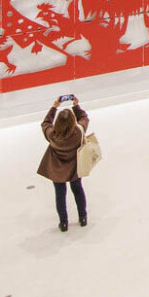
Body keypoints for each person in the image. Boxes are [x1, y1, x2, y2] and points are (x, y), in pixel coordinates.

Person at [37, 95, 90, 232]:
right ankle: (83, 217)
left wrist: (54, 107)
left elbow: (45, 123)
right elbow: (84, 118)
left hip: (57, 170)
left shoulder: (52, 135)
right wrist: (76, 106)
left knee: (60, 194)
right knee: (78, 190)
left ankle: (64, 222)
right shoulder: (79, 132)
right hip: (75, 169)